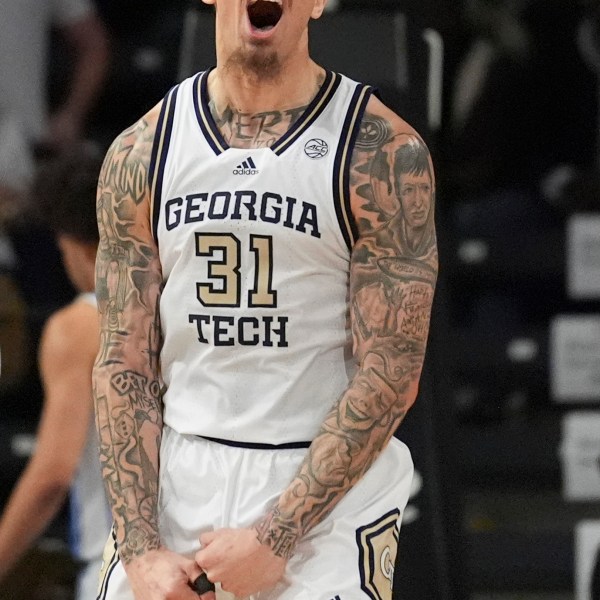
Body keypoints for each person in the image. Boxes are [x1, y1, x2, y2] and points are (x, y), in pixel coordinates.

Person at [92, 0, 438, 598]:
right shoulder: (142, 150)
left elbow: (393, 370)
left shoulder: (379, 150)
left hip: (320, 483)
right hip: (178, 465)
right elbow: (122, 362)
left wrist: (277, 535)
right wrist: (142, 549)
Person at [0, 145, 112, 600]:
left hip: (125, 565)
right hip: (205, 562)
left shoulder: (81, 324)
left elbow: (53, 473)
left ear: (72, 245)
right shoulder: (187, 307)